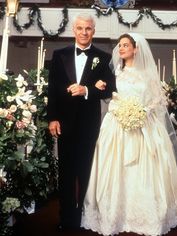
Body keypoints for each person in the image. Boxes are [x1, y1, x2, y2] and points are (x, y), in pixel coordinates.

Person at [81, 33, 177, 235]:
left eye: (125, 45)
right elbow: (110, 97)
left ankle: (152, 214)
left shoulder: (148, 74)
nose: (121, 48)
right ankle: (114, 214)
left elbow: (157, 101)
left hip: (145, 125)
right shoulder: (115, 73)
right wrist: (120, 111)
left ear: (136, 49)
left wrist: (142, 112)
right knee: (114, 167)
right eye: (119, 45)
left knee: (149, 169)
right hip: (118, 125)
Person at [47, 14, 116, 231]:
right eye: (80, 28)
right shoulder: (59, 55)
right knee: (66, 172)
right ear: (73, 30)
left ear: (93, 31)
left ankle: (86, 218)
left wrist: (86, 90)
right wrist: (52, 118)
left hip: (89, 124)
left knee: (87, 171)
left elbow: (111, 88)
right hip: (64, 123)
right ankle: (67, 219)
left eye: (88, 28)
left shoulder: (103, 58)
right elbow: (52, 90)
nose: (84, 32)